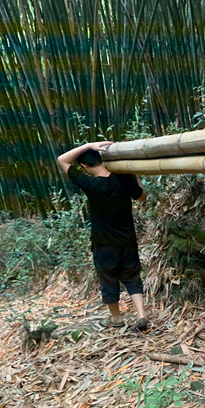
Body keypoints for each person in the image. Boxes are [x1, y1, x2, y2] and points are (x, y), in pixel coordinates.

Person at [57, 141, 148, 330]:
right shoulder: (123, 178)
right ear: (101, 159)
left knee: (108, 280)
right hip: (127, 240)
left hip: (104, 244)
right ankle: (141, 316)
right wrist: (134, 175)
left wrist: (88, 145)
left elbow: (62, 160)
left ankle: (116, 319)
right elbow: (142, 197)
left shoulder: (90, 184)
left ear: (84, 166)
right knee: (132, 277)